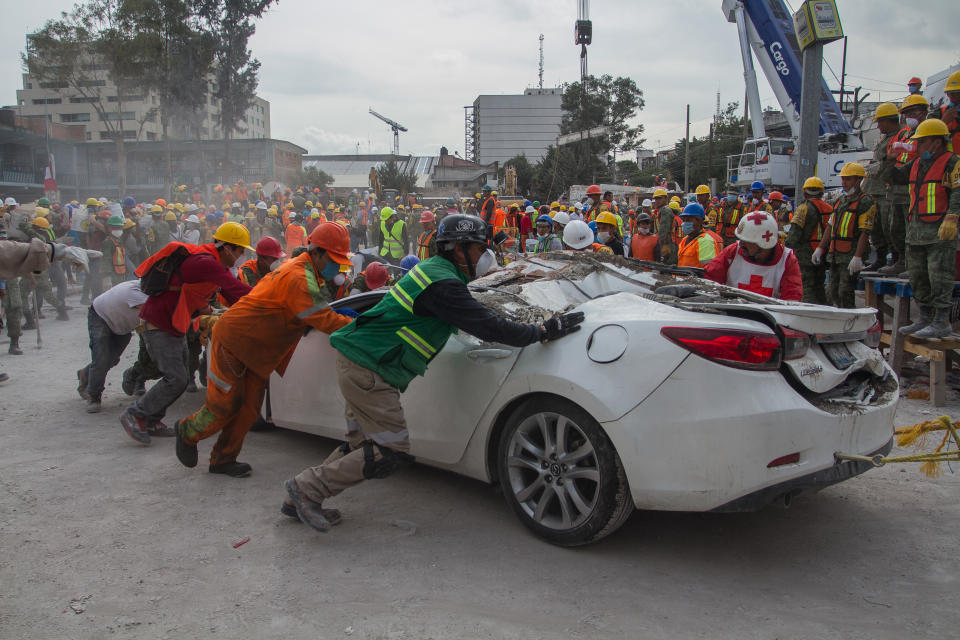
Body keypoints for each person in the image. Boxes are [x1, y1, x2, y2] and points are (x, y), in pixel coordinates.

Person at [280, 214, 585, 531]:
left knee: (362, 446)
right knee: (389, 451)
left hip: (364, 360)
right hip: (369, 367)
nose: (487, 256)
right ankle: (304, 489)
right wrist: (541, 331)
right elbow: (488, 325)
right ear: (457, 248)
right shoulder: (443, 285)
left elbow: (477, 311)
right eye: (481, 248)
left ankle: (301, 497)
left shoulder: (439, 274)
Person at [175, 223, 356, 478]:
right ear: (317, 252)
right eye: (333, 260)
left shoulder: (308, 272)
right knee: (225, 405)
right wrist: (361, 326)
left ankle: (223, 459)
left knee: (249, 409)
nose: (337, 267)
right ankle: (187, 432)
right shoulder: (298, 277)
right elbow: (324, 319)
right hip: (235, 340)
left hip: (256, 347)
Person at [119, 222, 253, 445]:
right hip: (160, 324)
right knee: (177, 378)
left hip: (174, 323)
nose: (240, 256)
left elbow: (214, 295)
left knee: (179, 377)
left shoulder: (209, 262)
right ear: (227, 247)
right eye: (240, 251)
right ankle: (135, 413)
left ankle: (152, 419)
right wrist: (268, 295)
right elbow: (234, 289)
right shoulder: (205, 263)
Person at [888, 119, 960, 338]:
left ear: (936, 142)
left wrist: (952, 217)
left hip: (940, 233)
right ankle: (925, 318)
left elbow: (958, 191)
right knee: (919, 278)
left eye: (922, 142)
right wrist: (888, 161)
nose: (917, 146)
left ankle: (941, 321)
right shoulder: (917, 164)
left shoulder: (952, 162)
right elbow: (895, 178)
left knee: (939, 277)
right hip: (916, 232)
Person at [77, 280, 149, 413]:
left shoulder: (153, 292)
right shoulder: (134, 292)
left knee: (111, 359)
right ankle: (94, 397)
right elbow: (153, 311)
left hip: (122, 326)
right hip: (100, 316)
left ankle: (85, 373)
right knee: (101, 359)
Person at [814, 163, 876, 308]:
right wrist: (820, 248)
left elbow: (864, 231)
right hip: (835, 254)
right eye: (843, 179)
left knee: (845, 292)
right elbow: (830, 226)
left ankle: (849, 322)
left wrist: (858, 256)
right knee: (832, 292)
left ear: (858, 180)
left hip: (850, 255)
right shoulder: (840, 201)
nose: (844, 183)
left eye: (848, 179)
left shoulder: (865, 201)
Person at [704, 211, 802, 301]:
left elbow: (792, 298)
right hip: (732, 316)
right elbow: (708, 279)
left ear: (764, 243)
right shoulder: (732, 252)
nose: (741, 244)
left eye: (747, 241)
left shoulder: (786, 260)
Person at [863, 102, 912, 273]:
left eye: (880, 122)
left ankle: (897, 259)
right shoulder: (886, 137)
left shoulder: (901, 135)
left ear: (888, 120)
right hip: (875, 190)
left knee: (890, 227)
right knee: (876, 228)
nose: (878, 126)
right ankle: (881, 258)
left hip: (887, 191)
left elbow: (897, 161)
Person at [785, 177, 833, 304]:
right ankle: (823, 314)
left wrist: (786, 249)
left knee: (806, 287)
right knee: (819, 286)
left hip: (806, 254)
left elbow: (794, 233)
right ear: (822, 193)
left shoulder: (803, 208)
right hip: (823, 252)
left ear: (805, 192)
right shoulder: (829, 208)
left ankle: (808, 313)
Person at [677, 204, 723, 268]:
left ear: (699, 221)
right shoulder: (685, 239)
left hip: (693, 278)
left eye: (688, 220)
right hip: (682, 277)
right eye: (684, 220)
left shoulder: (706, 242)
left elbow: (708, 270)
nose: (684, 223)